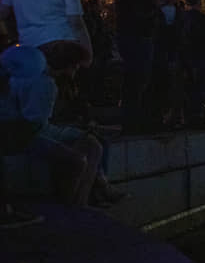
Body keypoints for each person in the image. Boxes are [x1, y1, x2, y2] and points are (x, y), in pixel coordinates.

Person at [0, 44, 124, 208]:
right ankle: (84, 200)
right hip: (25, 135)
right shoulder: (45, 84)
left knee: (91, 142)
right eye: (76, 67)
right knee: (90, 146)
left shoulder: (23, 77)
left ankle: (90, 195)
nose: (77, 72)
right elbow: (36, 126)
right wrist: (77, 130)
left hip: (24, 130)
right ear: (68, 66)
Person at [105, 0, 158, 133]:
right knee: (140, 73)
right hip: (141, 25)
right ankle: (135, 117)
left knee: (131, 74)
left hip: (126, 22)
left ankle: (130, 116)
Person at [180, 0, 205, 128]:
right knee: (200, 87)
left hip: (187, 57)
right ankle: (196, 116)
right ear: (198, 2)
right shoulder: (201, 18)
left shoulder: (182, 16)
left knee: (188, 87)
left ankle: (187, 116)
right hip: (201, 57)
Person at [152, 0, 185, 129]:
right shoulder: (156, 7)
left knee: (173, 84)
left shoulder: (180, 10)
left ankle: (171, 116)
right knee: (159, 83)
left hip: (173, 51)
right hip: (158, 50)